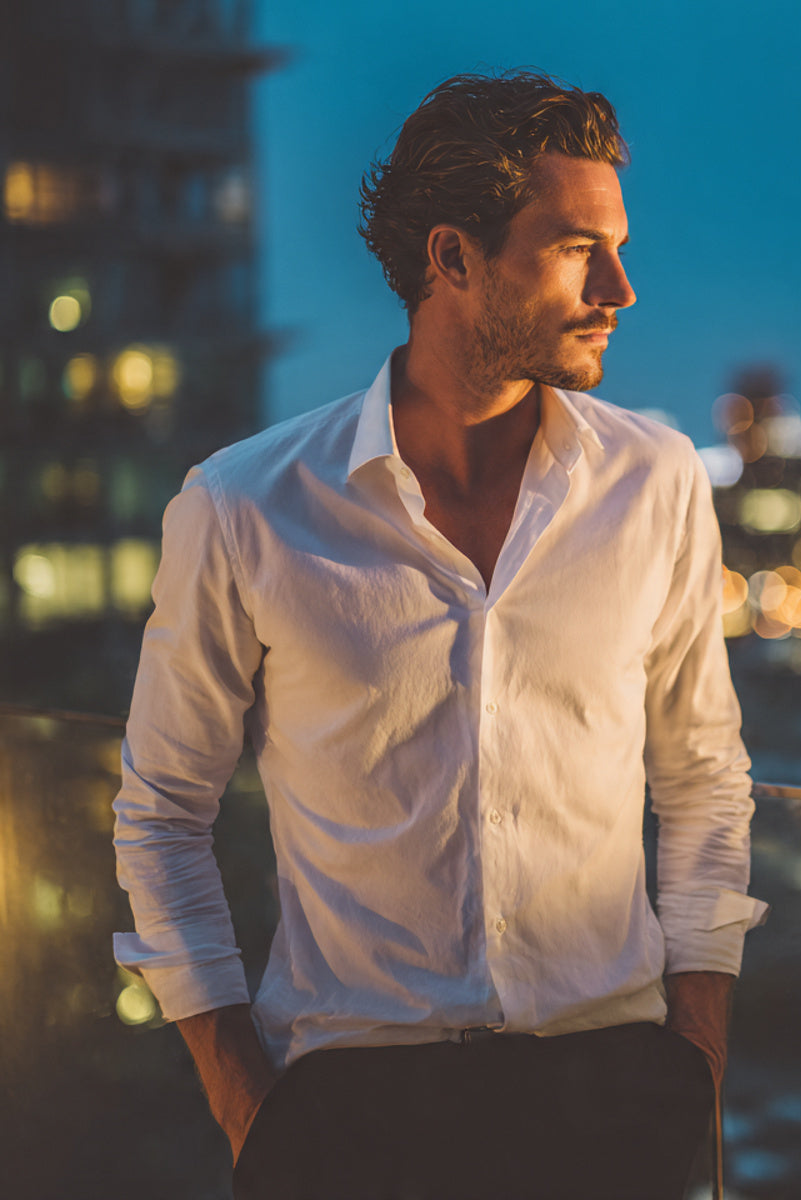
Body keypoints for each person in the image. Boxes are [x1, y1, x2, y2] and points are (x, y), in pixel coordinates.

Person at [113, 69, 767, 1200]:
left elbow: (703, 775)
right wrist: (243, 1104)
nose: (621, 285)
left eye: (614, 246)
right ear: (453, 258)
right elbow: (163, 811)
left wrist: (694, 1054)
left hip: (611, 1093)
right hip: (351, 1115)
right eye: (575, 249)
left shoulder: (654, 482)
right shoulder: (245, 506)